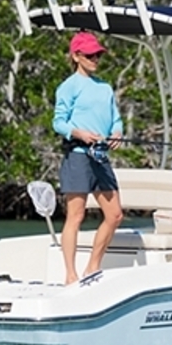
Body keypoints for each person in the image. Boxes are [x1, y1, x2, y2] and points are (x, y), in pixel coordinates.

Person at [52, 31, 124, 285]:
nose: (96, 59)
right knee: (76, 216)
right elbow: (58, 122)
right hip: (78, 156)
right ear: (76, 56)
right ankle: (70, 275)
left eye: (98, 55)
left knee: (115, 214)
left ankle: (93, 267)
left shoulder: (105, 87)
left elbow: (116, 118)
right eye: (90, 55)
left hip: (101, 157)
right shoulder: (68, 87)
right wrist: (79, 133)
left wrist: (117, 132)